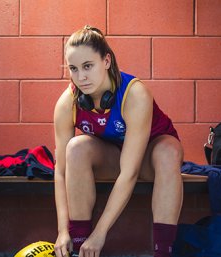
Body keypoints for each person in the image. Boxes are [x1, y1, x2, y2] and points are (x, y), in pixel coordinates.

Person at [53, 25, 184, 257]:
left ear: (106, 61)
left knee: (168, 152)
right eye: (73, 69)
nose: (81, 77)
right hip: (114, 158)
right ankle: (79, 246)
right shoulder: (68, 102)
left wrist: (100, 233)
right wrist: (63, 231)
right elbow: (61, 171)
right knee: (75, 149)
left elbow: (129, 172)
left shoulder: (135, 94)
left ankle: (163, 252)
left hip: (149, 160)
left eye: (88, 66)